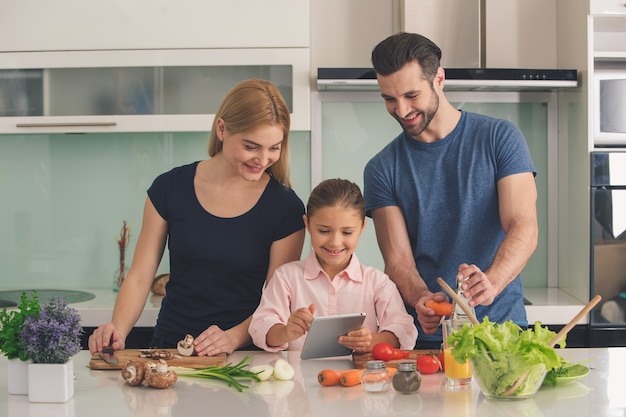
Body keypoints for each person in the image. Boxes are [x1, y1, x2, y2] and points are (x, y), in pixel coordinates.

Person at [88, 79, 306, 356]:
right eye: (251, 147)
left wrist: (232, 338)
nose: (263, 159)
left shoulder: (285, 207)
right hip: (170, 350)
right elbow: (141, 276)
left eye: (274, 147)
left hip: (242, 358)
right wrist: (117, 329)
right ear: (222, 129)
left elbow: (277, 302)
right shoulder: (169, 189)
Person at [364, 32, 539, 349]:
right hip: (430, 337)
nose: (401, 110)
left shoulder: (500, 138)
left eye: (411, 95)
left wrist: (493, 282)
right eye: (389, 99)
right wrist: (421, 298)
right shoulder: (381, 168)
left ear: (439, 79)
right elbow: (398, 261)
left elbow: (523, 225)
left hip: (502, 332)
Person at [250, 178, 417, 353]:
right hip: (298, 379)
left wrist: (371, 341)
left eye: (347, 232)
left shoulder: (377, 282)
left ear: (362, 227)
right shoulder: (287, 277)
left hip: (361, 378)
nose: (335, 242)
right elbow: (260, 326)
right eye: (323, 231)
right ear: (307, 224)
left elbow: (403, 330)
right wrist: (286, 331)